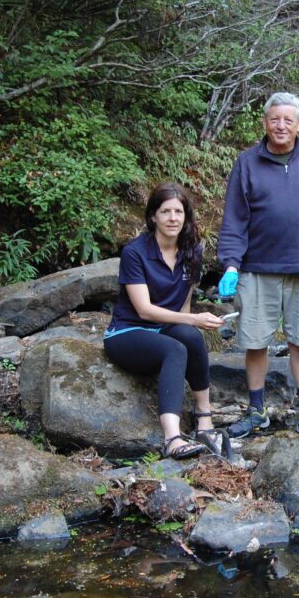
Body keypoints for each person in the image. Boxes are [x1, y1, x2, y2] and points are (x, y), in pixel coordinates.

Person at [216, 92, 299, 444]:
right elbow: (234, 220)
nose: (281, 126)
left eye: (288, 120)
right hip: (257, 269)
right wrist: (230, 265)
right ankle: (256, 411)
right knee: (255, 342)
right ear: (265, 122)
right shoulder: (247, 163)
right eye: (275, 119)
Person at [104, 183, 224, 459]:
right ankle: (172, 438)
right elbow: (144, 310)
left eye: (178, 212)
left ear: (186, 217)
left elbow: (185, 298)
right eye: (166, 211)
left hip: (163, 326)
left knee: (191, 337)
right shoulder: (135, 252)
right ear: (153, 217)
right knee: (175, 348)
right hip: (128, 331)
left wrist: (189, 323)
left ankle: (205, 419)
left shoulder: (192, 250)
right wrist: (192, 318)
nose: (173, 218)